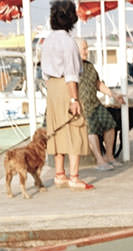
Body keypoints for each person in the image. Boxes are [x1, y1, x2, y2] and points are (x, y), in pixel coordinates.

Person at [42, 0, 91, 190]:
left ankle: (59, 174)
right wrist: (74, 98)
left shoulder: (48, 40)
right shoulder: (68, 42)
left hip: (52, 88)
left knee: (56, 129)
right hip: (65, 86)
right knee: (74, 127)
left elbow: (45, 71)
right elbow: (71, 72)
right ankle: (74, 177)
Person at [76, 38, 123, 171]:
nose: (87, 51)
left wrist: (113, 94)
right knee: (91, 129)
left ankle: (109, 156)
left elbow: (98, 84)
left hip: (95, 103)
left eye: (86, 48)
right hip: (83, 106)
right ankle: (99, 160)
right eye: (84, 48)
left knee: (110, 124)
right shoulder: (71, 67)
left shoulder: (89, 66)